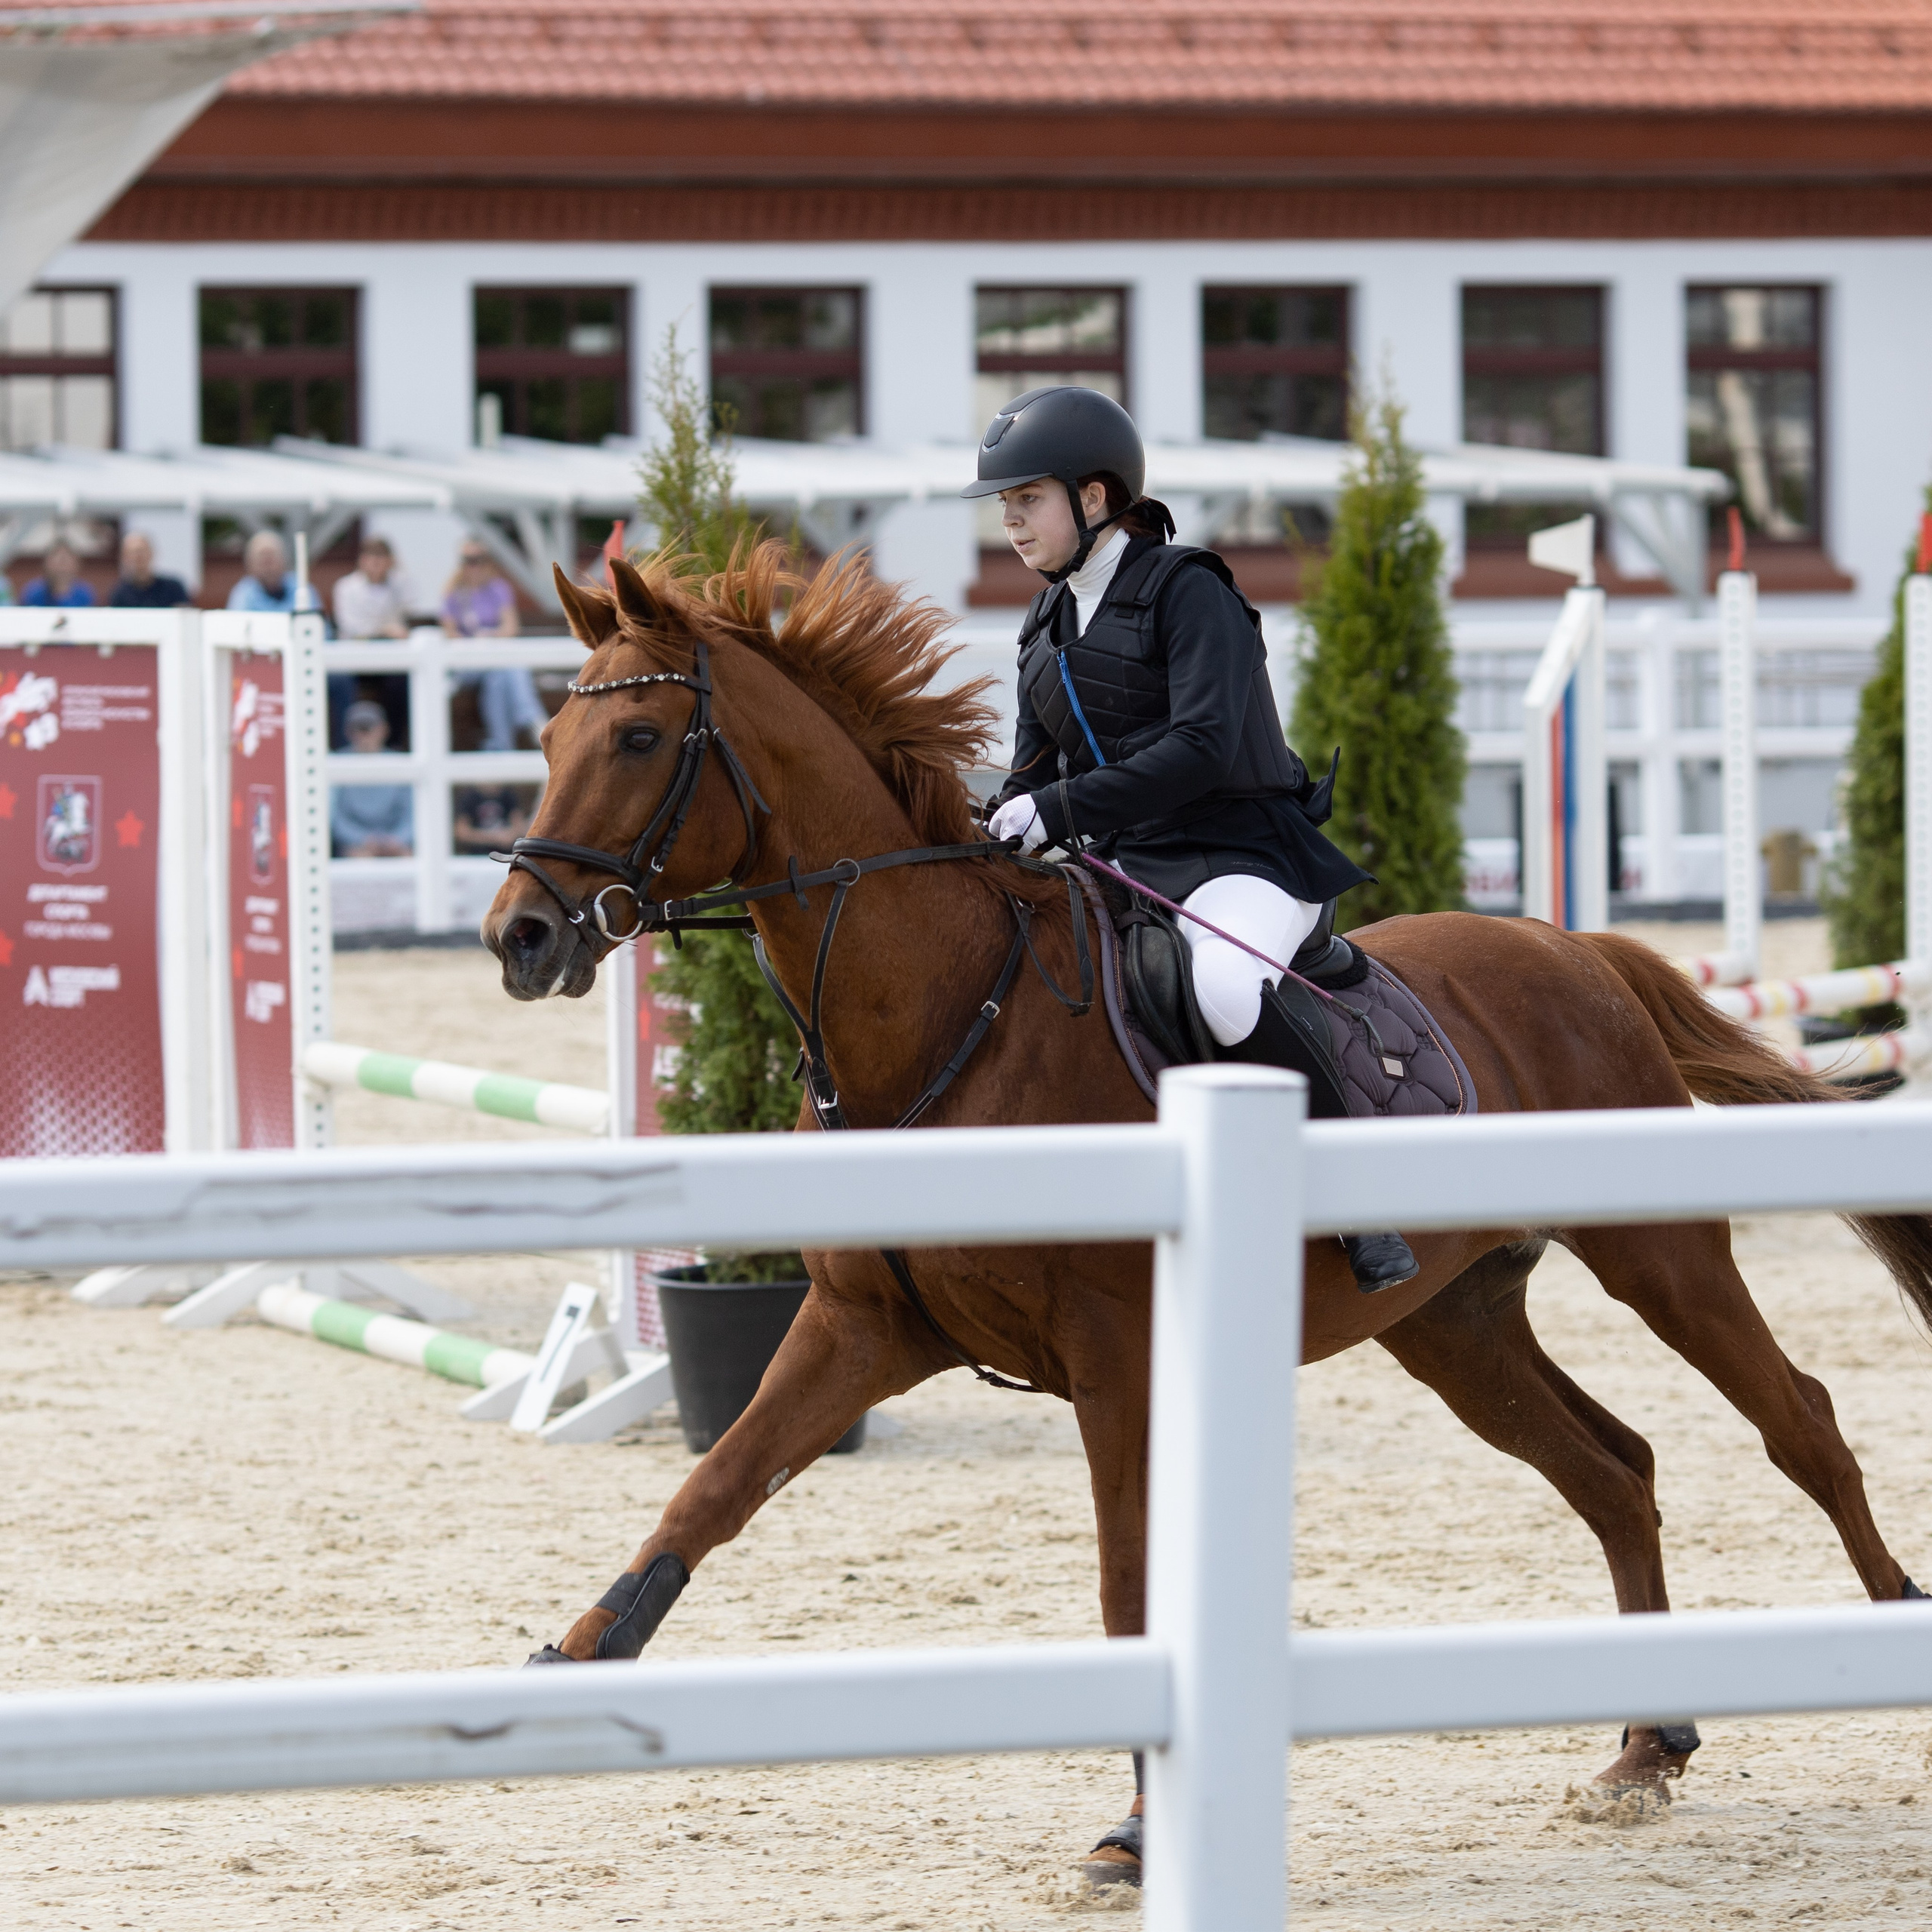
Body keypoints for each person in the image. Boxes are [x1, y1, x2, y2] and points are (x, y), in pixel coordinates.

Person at [970, 386, 1417, 1296]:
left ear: (1094, 499)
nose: (1011, 521)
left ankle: (1359, 1207)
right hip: (1130, 861)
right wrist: (998, 815)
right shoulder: (1044, 622)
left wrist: (1057, 809)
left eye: (1028, 500)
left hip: (1244, 850)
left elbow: (1203, 748)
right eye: (1005, 506)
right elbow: (1030, 767)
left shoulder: (1188, 590)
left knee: (1221, 983)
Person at [441, 540, 547, 752]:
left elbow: (511, 628)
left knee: (497, 681)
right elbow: (450, 633)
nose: (474, 566)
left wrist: (490, 636)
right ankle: (531, 718)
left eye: (479, 560)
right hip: (467, 665)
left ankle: (501, 745)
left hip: (494, 660)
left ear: (488, 562)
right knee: (510, 665)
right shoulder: (452, 593)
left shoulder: (498, 589)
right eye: (468, 561)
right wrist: (474, 643)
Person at [329, 699, 414, 857]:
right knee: (361, 861)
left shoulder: (402, 764)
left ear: (384, 730)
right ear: (347, 731)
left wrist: (398, 840)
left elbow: (413, 813)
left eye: (369, 728)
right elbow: (335, 819)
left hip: (396, 844)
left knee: (408, 861)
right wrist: (363, 840)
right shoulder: (336, 764)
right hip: (356, 846)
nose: (363, 735)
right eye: (358, 728)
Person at [332, 535, 411, 638]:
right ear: (362, 561)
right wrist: (384, 630)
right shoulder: (346, 587)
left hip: (390, 646)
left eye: (381, 559)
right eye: (371, 559)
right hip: (354, 646)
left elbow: (404, 616)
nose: (376, 563)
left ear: (389, 561)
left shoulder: (398, 585)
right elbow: (348, 624)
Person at [109, 531, 190, 608]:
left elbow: (185, 617)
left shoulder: (173, 589)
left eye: (141, 551)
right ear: (124, 558)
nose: (137, 557)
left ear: (151, 553)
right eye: (132, 553)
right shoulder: (119, 594)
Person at [227, 531, 294, 613]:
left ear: (284, 560)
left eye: (272, 558)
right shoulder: (243, 594)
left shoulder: (302, 589)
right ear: (250, 564)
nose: (268, 567)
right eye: (262, 559)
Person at [20, 540, 94, 608]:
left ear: (77, 564)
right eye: (57, 561)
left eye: (65, 561)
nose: (61, 568)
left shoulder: (85, 594)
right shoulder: (33, 593)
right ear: (46, 563)